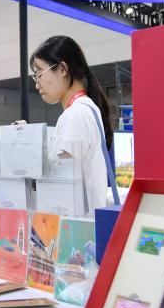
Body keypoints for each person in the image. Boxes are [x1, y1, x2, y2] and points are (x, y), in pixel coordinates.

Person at [30, 35, 115, 212]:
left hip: (76, 222)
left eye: (39, 74)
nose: (37, 85)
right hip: (83, 220)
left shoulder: (75, 114)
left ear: (62, 69)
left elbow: (60, 180)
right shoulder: (86, 108)